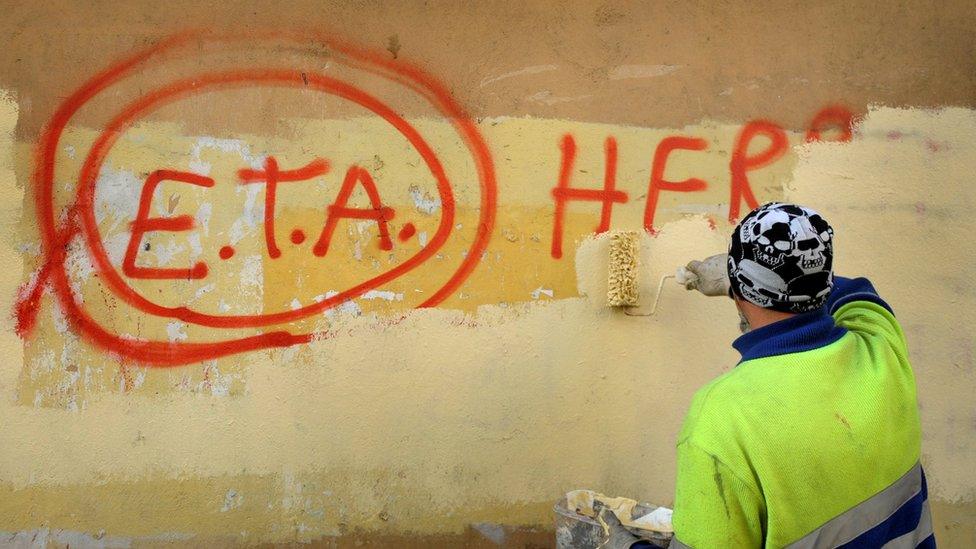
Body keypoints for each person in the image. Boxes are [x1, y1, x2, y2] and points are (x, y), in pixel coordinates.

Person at [602, 203, 934, 548]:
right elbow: (853, 291)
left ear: (738, 292)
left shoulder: (721, 419)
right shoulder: (880, 345)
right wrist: (771, 274)